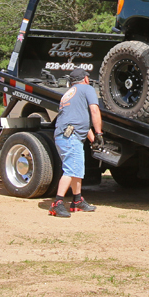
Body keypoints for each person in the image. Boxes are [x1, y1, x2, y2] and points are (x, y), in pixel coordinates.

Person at [51, 67, 103, 217]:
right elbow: (94, 111)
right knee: (71, 169)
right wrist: (99, 133)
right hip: (71, 136)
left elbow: (79, 120)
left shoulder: (69, 94)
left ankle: (77, 200)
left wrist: (93, 140)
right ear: (85, 79)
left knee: (77, 170)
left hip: (65, 135)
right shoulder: (87, 89)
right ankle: (57, 203)